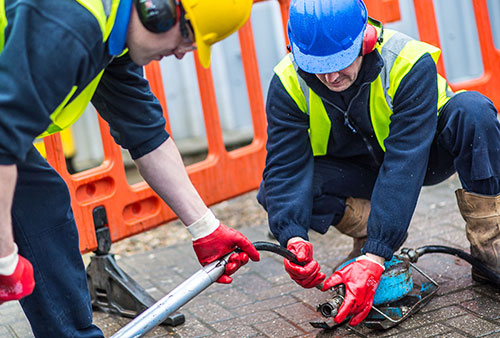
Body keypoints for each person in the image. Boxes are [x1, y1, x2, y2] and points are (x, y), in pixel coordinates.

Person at [0, 0, 260, 336]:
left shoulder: (114, 35)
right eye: (187, 37)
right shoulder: (70, 23)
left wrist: (205, 227)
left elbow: (145, 133)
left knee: (40, 202)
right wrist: (5, 258)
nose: (182, 53)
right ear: (159, 10)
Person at [257, 0, 500, 327]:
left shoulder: (408, 62)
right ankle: (369, 231)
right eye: (318, 64)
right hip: (355, 170)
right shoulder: (287, 81)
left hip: (424, 156)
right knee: (275, 190)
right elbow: (285, 168)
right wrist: (293, 238)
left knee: (474, 111)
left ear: (366, 41)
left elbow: (404, 164)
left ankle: (490, 246)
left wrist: (376, 254)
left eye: (341, 61)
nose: (330, 75)